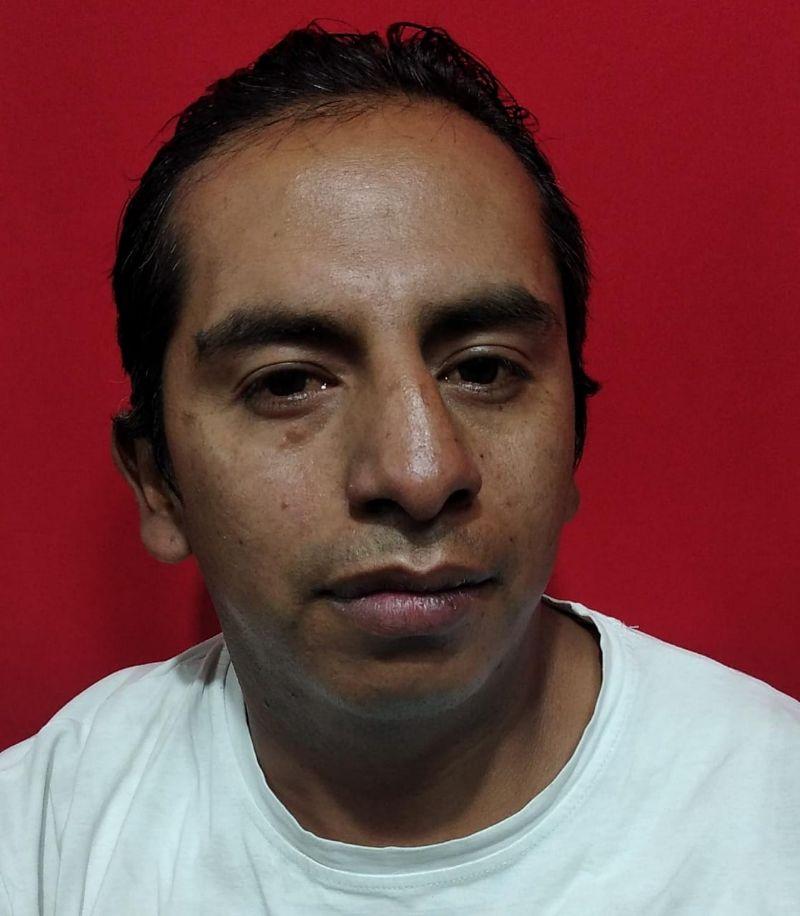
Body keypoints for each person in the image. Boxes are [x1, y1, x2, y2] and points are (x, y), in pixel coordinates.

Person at [1, 20, 798, 915]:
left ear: (575, 433)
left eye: (484, 369)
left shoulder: (772, 819)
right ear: (158, 482)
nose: (420, 473)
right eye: (289, 382)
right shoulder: (43, 844)